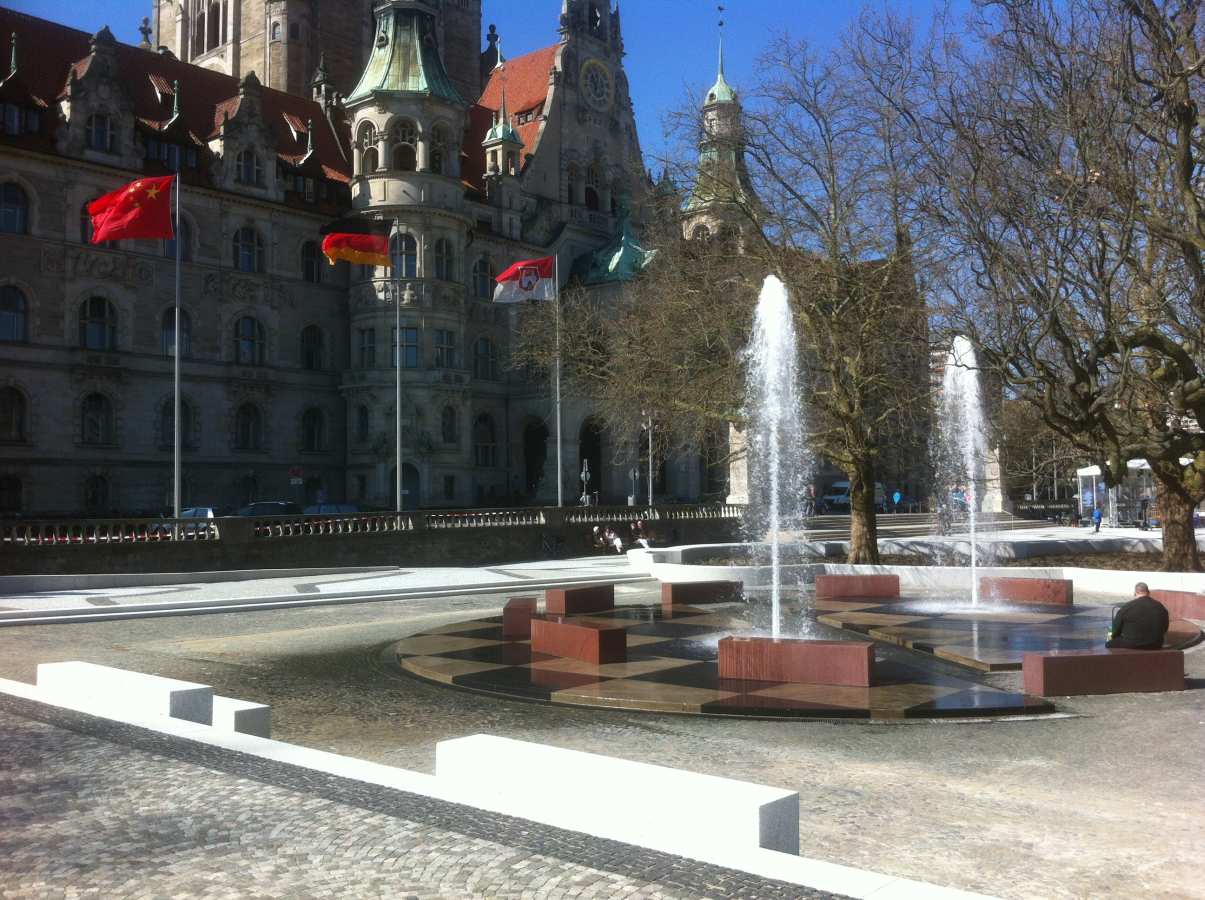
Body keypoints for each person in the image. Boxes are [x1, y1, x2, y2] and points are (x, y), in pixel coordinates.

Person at [1106, 582, 1169, 650]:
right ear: (1148, 592)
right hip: (1155, 644)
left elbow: (1114, 629)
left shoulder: (1127, 607)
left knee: (1109, 641)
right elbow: (1165, 628)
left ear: (1135, 593)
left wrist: (1109, 638)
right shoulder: (1160, 607)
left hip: (1131, 644)